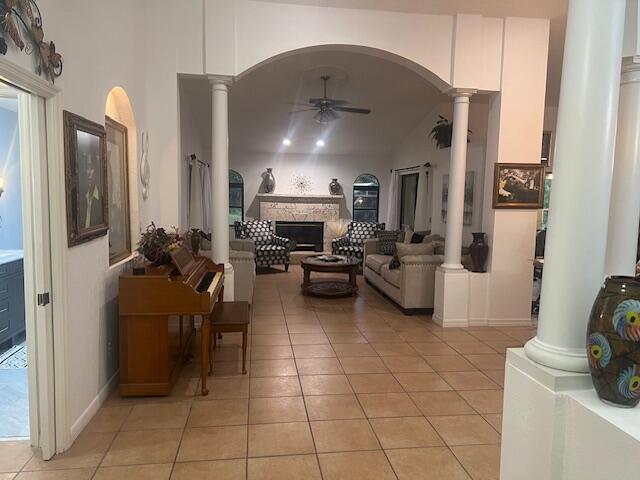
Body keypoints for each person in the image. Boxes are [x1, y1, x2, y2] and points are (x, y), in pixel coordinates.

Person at [80, 154, 103, 229]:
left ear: (96, 172)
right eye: (87, 168)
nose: (89, 173)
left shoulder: (101, 199)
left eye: (92, 168)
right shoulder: (81, 197)